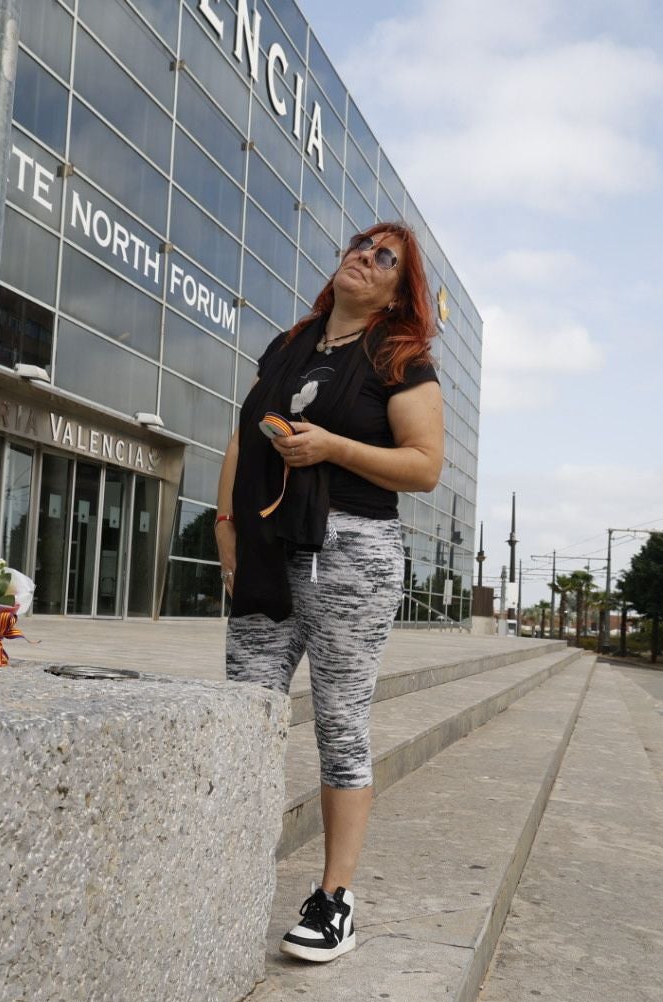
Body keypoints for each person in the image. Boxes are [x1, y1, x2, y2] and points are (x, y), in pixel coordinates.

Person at [216, 222, 444, 963]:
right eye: (361, 245)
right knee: (245, 713)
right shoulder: (291, 345)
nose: (364, 258)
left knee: (340, 726)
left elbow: (423, 466)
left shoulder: (401, 359)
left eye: (385, 259)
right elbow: (243, 438)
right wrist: (226, 529)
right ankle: (230, 868)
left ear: (397, 291)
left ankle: (334, 898)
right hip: (265, 550)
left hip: (352, 555)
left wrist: (333, 448)